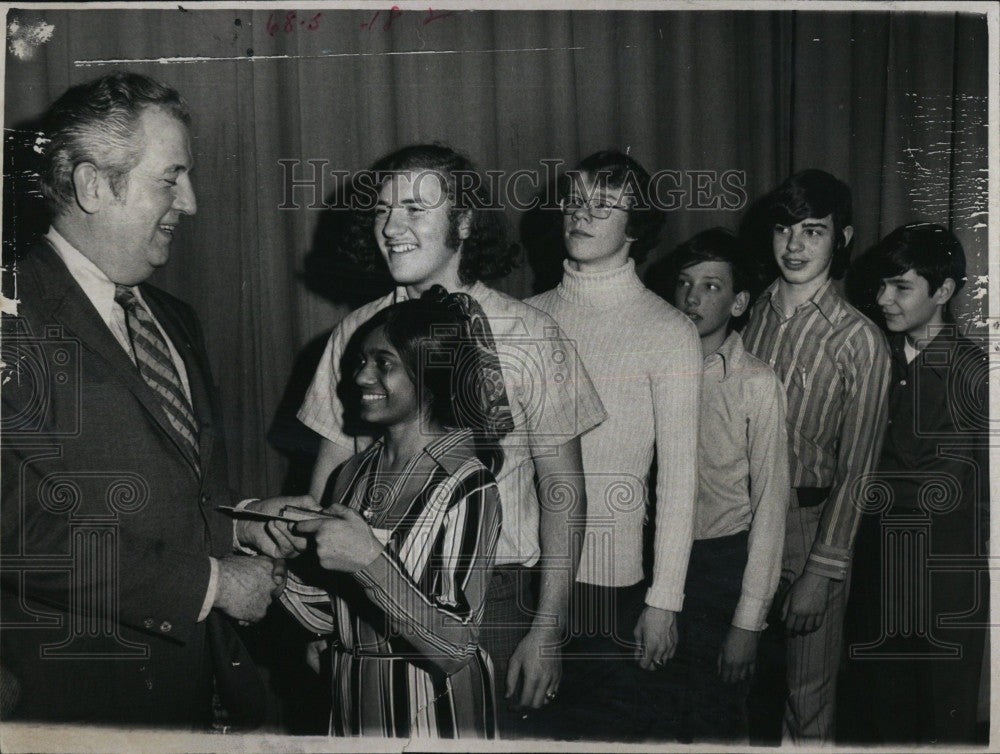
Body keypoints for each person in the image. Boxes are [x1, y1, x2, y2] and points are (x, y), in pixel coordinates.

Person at [0, 72, 307, 728]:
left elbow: (148, 494)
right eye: (170, 179)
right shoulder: (10, 314)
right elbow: (18, 529)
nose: (190, 203)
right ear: (90, 185)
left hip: (186, 689)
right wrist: (213, 584)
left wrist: (241, 521)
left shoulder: (172, 317)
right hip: (71, 702)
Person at [296, 143, 606, 735]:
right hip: (373, 595)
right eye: (384, 210)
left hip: (498, 600)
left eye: (415, 209)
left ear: (463, 221)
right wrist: (327, 620)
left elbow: (563, 493)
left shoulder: (534, 336)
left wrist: (546, 630)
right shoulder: (354, 335)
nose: (391, 228)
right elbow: (325, 497)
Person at [524, 150, 701, 740]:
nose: (582, 213)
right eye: (575, 199)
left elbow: (679, 480)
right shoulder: (524, 318)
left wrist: (665, 600)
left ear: (637, 227)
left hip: (610, 588)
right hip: (521, 573)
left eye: (604, 204)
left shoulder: (668, 331)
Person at [278, 289, 509, 738]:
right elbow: (336, 610)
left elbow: (455, 645)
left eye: (384, 363)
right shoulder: (352, 472)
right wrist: (280, 567)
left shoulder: (467, 483)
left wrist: (369, 561)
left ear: (431, 376)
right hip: (352, 703)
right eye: (362, 360)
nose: (361, 376)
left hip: (435, 712)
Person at [741, 169, 891, 743]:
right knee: (733, 680)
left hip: (810, 527)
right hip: (737, 521)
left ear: (842, 238)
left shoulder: (859, 340)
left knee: (807, 700)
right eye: (784, 229)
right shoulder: (745, 313)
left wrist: (820, 575)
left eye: (813, 231)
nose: (795, 245)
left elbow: (858, 471)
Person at [843, 223, 988, 744]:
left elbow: (943, 487)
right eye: (882, 285)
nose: (883, 299)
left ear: (943, 292)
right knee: (879, 721)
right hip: (879, 577)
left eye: (901, 287)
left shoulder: (971, 368)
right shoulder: (877, 355)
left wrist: (851, 482)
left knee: (939, 724)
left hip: (943, 588)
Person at [661, 227, 789, 742]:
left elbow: (772, 506)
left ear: (739, 302)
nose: (692, 297)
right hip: (660, 564)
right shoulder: (658, 370)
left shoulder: (757, 383)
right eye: (684, 283)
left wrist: (747, 622)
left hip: (722, 568)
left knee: (718, 721)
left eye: (711, 286)